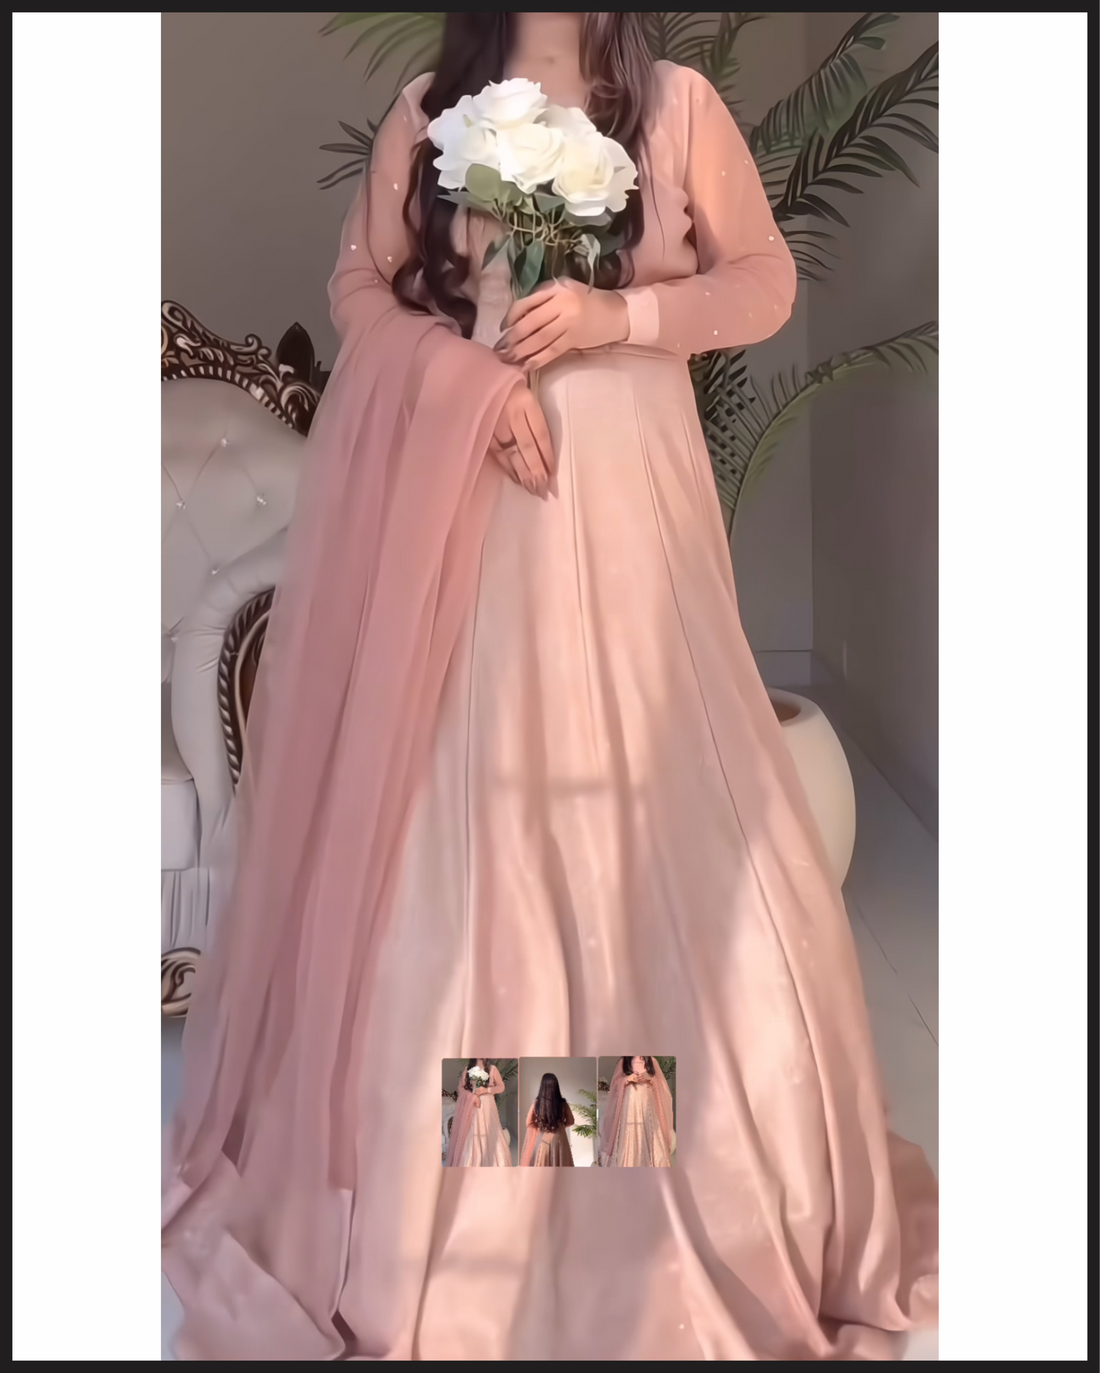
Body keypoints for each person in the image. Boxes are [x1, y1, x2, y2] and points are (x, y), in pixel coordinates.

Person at [162, 12, 938, 1361]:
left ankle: (651, 1167)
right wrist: (464, 374)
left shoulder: (675, 105)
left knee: (646, 830)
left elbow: (760, 283)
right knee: (490, 849)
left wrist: (615, 314)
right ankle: (515, 1187)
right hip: (480, 523)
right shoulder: (430, 108)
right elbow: (359, 290)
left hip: (636, 519)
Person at [599, 1056, 674, 1168]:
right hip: (629, 1107)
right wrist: (627, 1079)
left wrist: (650, 1078)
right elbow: (614, 1085)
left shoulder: (651, 1060)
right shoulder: (624, 1061)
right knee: (629, 1133)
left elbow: (662, 1085)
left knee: (652, 1134)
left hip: (648, 1106)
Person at [445, 1059, 512, 1168]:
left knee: (490, 1133)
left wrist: (487, 1090)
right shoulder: (467, 1069)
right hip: (473, 1107)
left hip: (488, 1107)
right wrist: (472, 1097)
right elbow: (461, 1089)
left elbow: (501, 1086)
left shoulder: (492, 1069)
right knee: (472, 1134)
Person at [520, 1072, 575, 1167]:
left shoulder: (537, 1103)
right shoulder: (563, 1103)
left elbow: (529, 1122)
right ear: (556, 1087)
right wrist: (560, 1126)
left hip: (542, 1140)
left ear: (542, 1087)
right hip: (560, 1140)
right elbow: (571, 1121)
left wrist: (541, 1125)